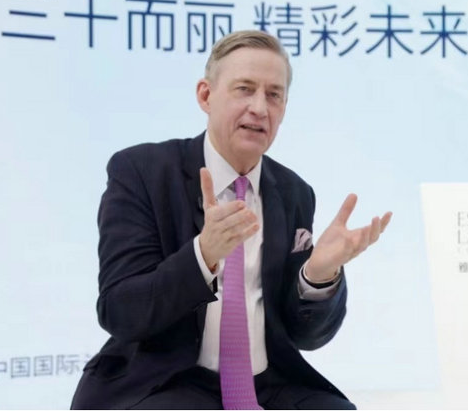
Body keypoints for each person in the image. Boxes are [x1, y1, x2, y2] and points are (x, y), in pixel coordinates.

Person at [70, 30, 392, 410]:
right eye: (244, 89)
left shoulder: (294, 192)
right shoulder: (142, 172)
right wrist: (202, 255)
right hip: (167, 382)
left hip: (269, 383)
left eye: (274, 95)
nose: (260, 108)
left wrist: (317, 277)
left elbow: (306, 337)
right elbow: (120, 310)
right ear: (205, 95)